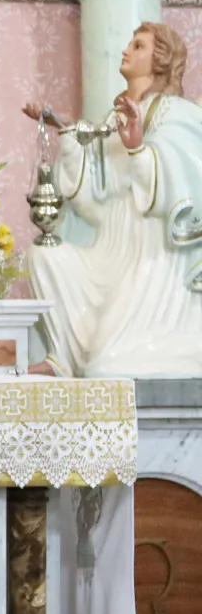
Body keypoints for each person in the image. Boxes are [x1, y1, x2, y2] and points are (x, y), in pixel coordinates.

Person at [22, 21, 202, 378]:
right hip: (111, 246)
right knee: (44, 256)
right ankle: (62, 357)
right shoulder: (113, 118)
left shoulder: (177, 112)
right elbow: (91, 196)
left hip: (153, 255)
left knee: (107, 364)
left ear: (161, 59)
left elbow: (182, 177)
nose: (125, 50)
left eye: (138, 46)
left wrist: (138, 150)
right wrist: (67, 132)